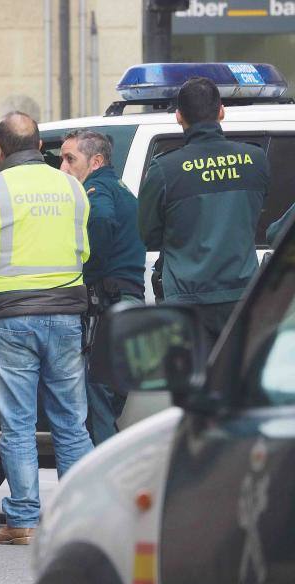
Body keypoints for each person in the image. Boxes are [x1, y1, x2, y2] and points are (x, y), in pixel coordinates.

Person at [0, 111, 93, 545]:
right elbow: (83, 248)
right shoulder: (72, 186)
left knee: (18, 424)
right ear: (40, 146)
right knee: (72, 423)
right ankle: (80, 519)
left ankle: (24, 521)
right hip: (68, 313)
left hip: (12, 318)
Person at [138, 77, 270, 349]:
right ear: (221, 111)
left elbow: (147, 233)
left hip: (186, 303)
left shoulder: (165, 169)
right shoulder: (255, 160)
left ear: (178, 116)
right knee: (235, 384)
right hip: (241, 296)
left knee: (191, 387)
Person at [59, 129, 146, 445]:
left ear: (95, 161)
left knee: (96, 394)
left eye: (71, 159)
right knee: (109, 396)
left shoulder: (98, 189)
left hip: (111, 304)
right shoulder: (119, 187)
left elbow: (102, 221)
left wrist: (85, 270)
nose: (63, 168)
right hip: (126, 304)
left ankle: (104, 473)